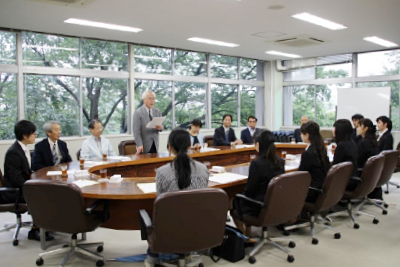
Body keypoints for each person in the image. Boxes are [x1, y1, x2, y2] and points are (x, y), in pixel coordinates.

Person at [146, 129, 209, 266]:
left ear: (170, 147)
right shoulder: (203, 169)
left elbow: (159, 202)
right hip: (197, 225)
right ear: (189, 146)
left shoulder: (162, 172)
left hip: (169, 228)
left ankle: (152, 257)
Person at [3, 120, 53, 241]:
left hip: (22, 188)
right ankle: (35, 230)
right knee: (43, 195)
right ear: (25, 136)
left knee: (49, 190)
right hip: (14, 192)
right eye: (34, 133)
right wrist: (33, 187)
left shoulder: (22, 149)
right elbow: (16, 179)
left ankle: (46, 225)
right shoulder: (14, 152)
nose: (36, 136)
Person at [232, 130, 285, 235]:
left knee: (234, 201)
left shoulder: (257, 163)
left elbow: (250, 191)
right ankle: (247, 233)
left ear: (258, 144)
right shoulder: (280, 161)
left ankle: (244, 235)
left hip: (259, 207)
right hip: (276, 204)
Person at [298, 121, 330, 203]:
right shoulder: (321, 148)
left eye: (301, 133)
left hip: (312, 191)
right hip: (323, 188)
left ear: (307, 135)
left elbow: (300, 175)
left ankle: (305, 216)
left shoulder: (308, 153)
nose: (300, 135)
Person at [346, 118, 379, 191]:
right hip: (371, 174)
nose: (357, 129)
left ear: (366, 128)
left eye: (359, 126)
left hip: (361, 173)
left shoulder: (364, 143)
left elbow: (356, 159)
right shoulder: (372, 140)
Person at [133, 90, 163, 154]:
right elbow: (136, 131)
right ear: (144, 100)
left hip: (155, 144)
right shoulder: (138, 112)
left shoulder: (157, 111)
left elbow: (162, 126)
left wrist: (160, 127)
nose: (152, 101)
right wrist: (139, 145)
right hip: (144, 146)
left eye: (153, 99)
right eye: (150, 98)